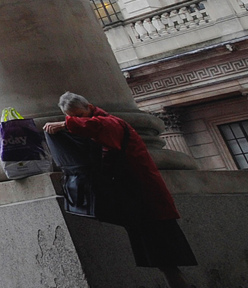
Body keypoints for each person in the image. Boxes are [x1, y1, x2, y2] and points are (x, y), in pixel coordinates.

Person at [44, 92, 196, 288]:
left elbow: (99, 126)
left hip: (144, 192)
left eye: (80, 115)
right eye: (73, 117)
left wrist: (66, 125)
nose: (78, 120)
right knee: (151, 242)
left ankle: (179, 284)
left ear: (90, 106)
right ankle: (178, 284)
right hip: (132, 192)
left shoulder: (111, 122)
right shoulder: (94, 124)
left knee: (158, 240)